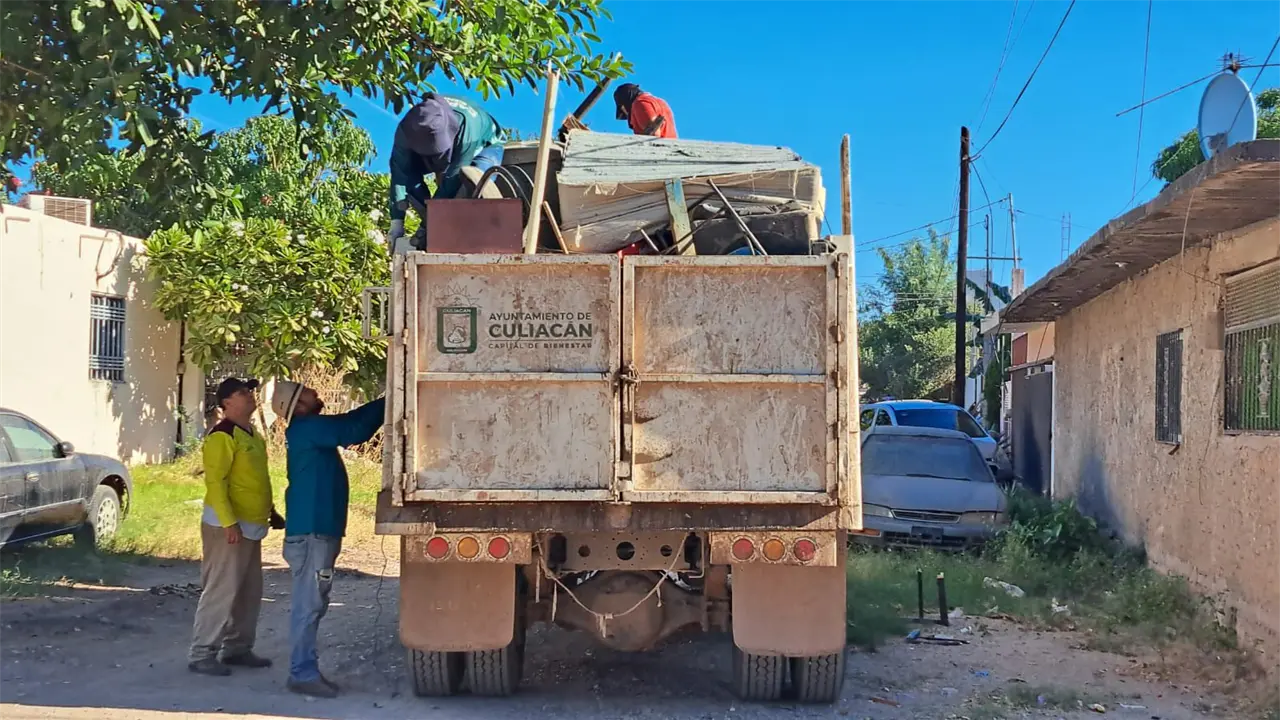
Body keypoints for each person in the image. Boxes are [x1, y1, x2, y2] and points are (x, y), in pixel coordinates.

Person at [272, 381, 386, 698]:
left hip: (315, 531)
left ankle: (304, 670)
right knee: (308, 606)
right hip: (312, 534)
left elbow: (348, 423)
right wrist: (389, 400)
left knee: (313, 604)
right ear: (299, 405)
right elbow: (353, 428)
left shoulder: (309, 429)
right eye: (306, 391)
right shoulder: (307, 428)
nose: (314, 392)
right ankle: (302, 673)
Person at [188, 378, 283, 676]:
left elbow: (254, 479)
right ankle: (202, 652)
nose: (250, 396)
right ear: (227, 403)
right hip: (228, 526)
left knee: (248, 590)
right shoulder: (222, 435)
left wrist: (271, 511)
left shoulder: (251, 434)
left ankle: (237, 648)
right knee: (221, 589)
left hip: (250, 524)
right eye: (243, 392)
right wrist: (229, 523)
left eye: (250, 391)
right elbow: (216, 482)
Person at [388, 93, 505, 253]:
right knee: (411, 182)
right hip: (431, 155)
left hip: (484, 147)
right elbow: (399, 175)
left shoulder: (468, 128)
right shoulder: (407, 128)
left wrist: (429, 223)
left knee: (474, 185)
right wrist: (397, 222)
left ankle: (469, 239)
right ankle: (431, 227)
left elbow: (453, 177)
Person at [613, 83, 678, 139]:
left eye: (623, 108)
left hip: (659, 151)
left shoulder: (639, 103)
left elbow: (653, 135)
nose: (626, 113)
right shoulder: (660, 102)